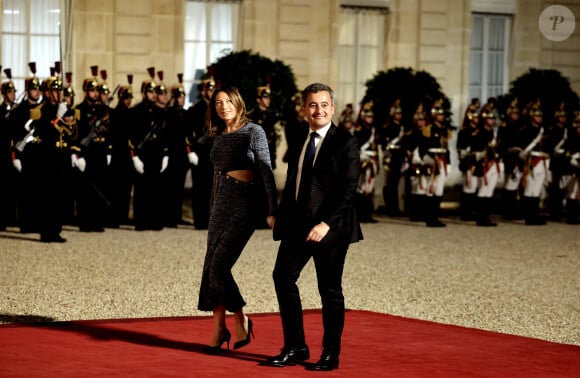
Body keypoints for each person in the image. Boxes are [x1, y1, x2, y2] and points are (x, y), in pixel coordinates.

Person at [268, 83, 363, 371]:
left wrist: (326, 224)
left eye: (324, 104)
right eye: (312, 105)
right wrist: (278, 217)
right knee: (283, 278)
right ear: (304, 109)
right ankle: (295, 346)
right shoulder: (299, 139)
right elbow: (294, 184)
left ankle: (330, 354)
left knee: (329, 290)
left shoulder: (346, 142)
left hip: (331, 228)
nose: (318, 110)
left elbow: (348, 190)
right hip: (298, 225)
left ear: (332, 108)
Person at [197, 86, 277, 353]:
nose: (223, 106)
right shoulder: (217, 137)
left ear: (238, 103)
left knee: (219, 265)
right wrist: (211, 207)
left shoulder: (254, 131)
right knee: (210, 267)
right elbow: (216, 175)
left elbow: (266, 171)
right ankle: (219, 328)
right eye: (218, 102)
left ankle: (241, 317)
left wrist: (272, 210)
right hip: (219, 205)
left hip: (245, 205)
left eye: (228, 101)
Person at [185, 77, 215, 229]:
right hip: (199, 153)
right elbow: (187, 132)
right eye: (209, 89)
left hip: (213, 154)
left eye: (213, 89)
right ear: (203, 91)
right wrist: (190, 151)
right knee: (199, 188)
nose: (212, 92)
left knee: (212, 188)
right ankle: (200, 220)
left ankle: (210, 219)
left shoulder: (217, 109)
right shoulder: (195, 110)